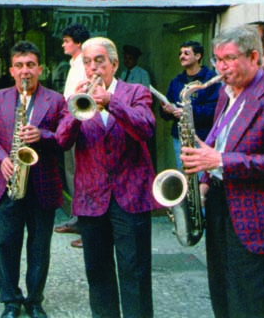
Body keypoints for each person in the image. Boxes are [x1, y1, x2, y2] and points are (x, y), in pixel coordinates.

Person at [181, 25, 264, 318]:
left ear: (254, 57)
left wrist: (221, 162)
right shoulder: (227, 93)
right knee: (222, 294)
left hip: (258, 212)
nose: (221, 68)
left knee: (251, 303)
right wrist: (202, 183)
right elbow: (217, 139)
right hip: (220, 205)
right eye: (217, 59)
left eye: (228, 58)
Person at [62, 37, 158, 318]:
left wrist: (112, 102)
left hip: (131, 197)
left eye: (99, 61)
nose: (93, 69)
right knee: (98, 273)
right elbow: (62, 140)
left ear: (114, 64)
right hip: (91, 199)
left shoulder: (136, 92)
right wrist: (74, 110)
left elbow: (146, 128)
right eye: (87, 62)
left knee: (135, 272)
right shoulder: (76, 98)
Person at [0, 41, 72, 318]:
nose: (25, 71)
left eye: (30, 65)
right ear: (11, 70)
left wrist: (43, 135)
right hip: (7, 181)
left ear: (40, 69)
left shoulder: (56, 100)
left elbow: (66, 139)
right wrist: (2, 158)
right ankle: (10, 300)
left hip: (43, 184)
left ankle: (34, 301)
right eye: (19, 66)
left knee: (39, 246)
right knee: (6, 244)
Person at [53, 23, 90, 249]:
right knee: (72, 173)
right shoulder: (73, 64)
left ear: (78, 43)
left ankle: (89, 229)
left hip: (81, 123)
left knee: (82, 175)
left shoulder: (85, 64)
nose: (63, 44)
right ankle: (78, 219)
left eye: (67, 41)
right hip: (70, 121)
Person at [159, 41, 220, 169]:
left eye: (186, 53)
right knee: (184, 175)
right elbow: (165, 109)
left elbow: (213, 110)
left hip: (202, 137)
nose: (182, 56)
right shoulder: (176, 81)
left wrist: (187, 112)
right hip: (180, 137)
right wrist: (166, 110)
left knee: (202, 177)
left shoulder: (211, 79)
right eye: (180, 53)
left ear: (198, 56)